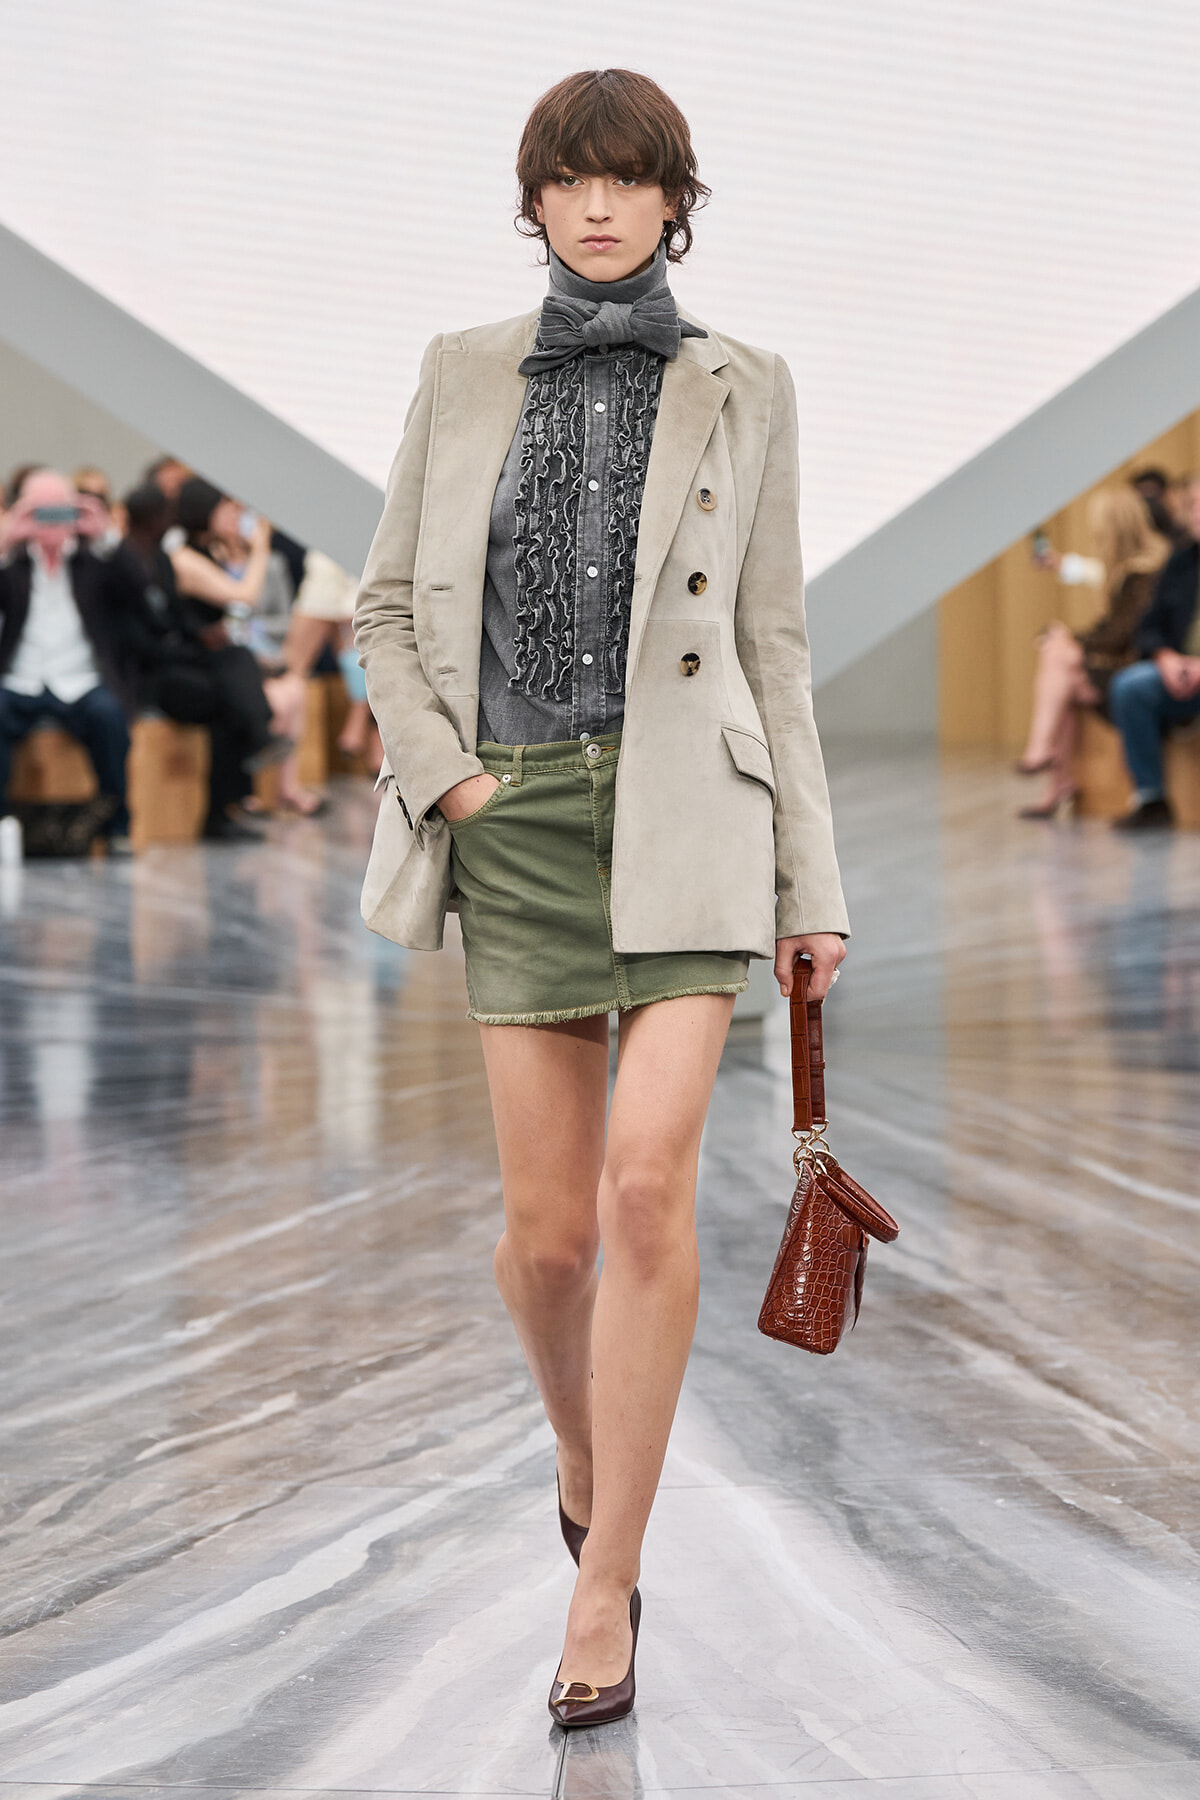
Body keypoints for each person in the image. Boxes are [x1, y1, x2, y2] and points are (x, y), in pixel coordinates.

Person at [354, 69, 848, 1730]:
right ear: (538, 201)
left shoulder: (745, 385)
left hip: (693, 819)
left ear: (672, 201)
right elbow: (382, 614)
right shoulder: (460, 370)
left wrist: (814, 886)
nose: (599, 207)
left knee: (647, 1197)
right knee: (546, 1243)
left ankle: (607, 1577)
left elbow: (773, 648)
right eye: (571, 181)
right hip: (522, 822)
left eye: (628, 181)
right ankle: (578, 1443)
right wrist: (460, 782)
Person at [106, 482, 289, 841]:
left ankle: (229, 800)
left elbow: (170, 619)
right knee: (228, 693)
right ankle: (254, 744)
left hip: (175, 658)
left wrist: (199, 638)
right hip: (152, 674)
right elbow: (142, 635)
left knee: (233, 665)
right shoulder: (136, 561)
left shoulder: (158, 557)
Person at [169, 478, 321, 813]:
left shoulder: (208, 551)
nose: (237, 516)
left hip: (212, 657)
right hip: (179, 664)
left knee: (249, 673)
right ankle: (257, 751)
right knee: (237, 679)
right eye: (230, 508)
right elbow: (244, 596)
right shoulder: (183, 557)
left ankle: (249, 788)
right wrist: (261, 548)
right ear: (206, 510)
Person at [0, 468, 131, 849]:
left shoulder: (96, 558)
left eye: (58, 510)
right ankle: (4, 822)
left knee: (110, 717)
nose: (51, 522)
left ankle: (117, 824)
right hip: (21, 679)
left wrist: (106, 534)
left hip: (82, 680)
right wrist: (6, 539)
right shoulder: (13, 563)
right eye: (39, 511)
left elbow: (142, 596)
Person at [1018, 489, 1168, 817]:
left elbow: (1120, 633)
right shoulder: (1133, 568)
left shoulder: (1142, 574)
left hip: (1135, 665)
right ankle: (1057, 780)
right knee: (1061, 667)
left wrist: (1071, 641)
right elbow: (1094, 577)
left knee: (1059, 658)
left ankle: (1043, 758)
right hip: (1123, 661)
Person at [1108, 473, 1200, 829]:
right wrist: (1165, 658)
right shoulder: (1180, 563)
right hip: (1179, 674)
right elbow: (1148, 627)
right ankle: (1151, 798)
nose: (1196, 515)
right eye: (1193, 506)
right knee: (1131, 686)